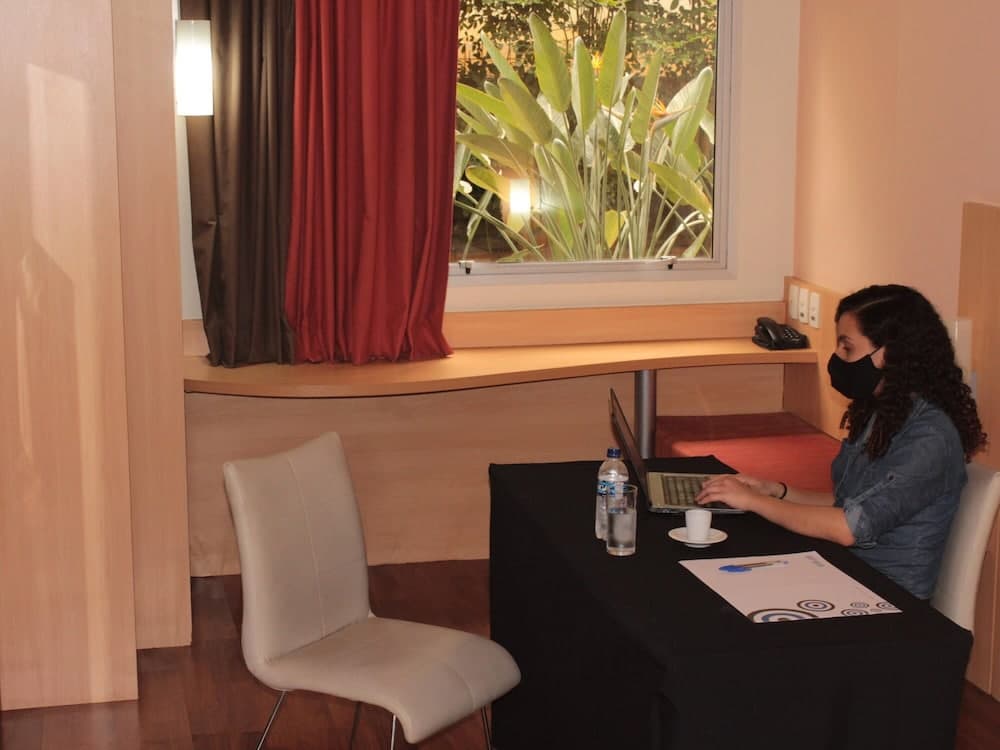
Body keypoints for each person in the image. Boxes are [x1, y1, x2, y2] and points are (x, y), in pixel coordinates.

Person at [696, 284, 987, 599]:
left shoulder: (929, 438)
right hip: (845, 573)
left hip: (886, 599)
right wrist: (775, 491)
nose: (837, 357)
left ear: (888, 354)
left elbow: (848, 528)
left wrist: (754, 502)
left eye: (847, 348)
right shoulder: (885, 411)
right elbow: (847, 502)